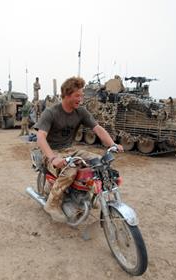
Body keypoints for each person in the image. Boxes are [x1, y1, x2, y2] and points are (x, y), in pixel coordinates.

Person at [35, 77, 123, 222]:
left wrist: (112, 144)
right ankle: (52, 204)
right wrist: (53, 158)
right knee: (70, 171)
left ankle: (90, 196)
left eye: (82, 95)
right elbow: (41, 137)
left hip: (70, 150)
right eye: (78, 95)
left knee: (99, 162)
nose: (81, 99)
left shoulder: (80, 112)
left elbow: (98, 129)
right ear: (67, 95)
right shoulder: (50, 112)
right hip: (51, 152)